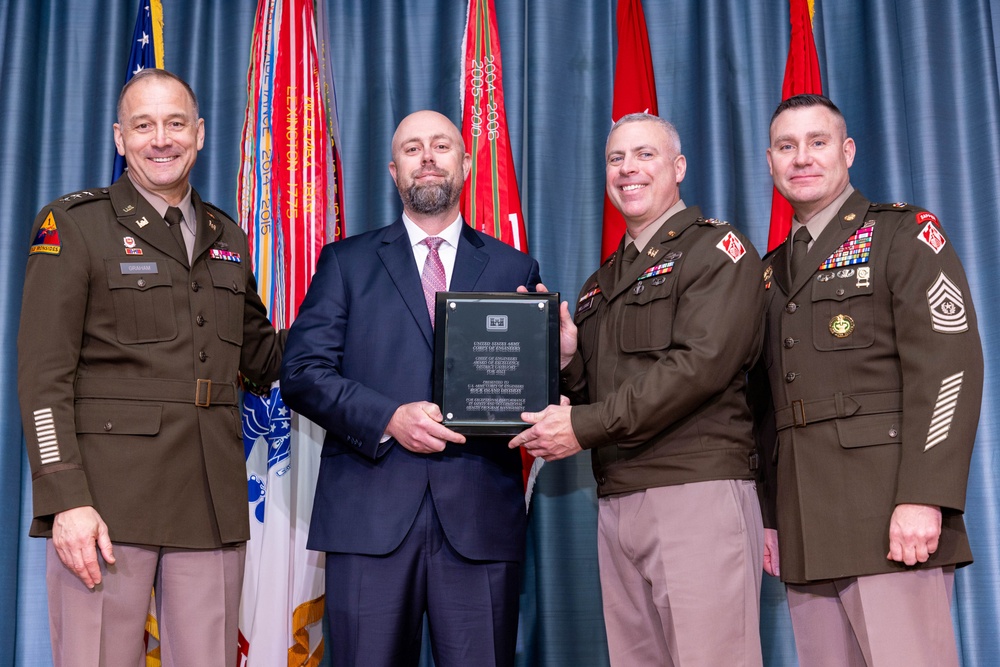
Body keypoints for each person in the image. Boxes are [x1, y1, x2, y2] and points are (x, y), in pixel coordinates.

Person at [17, 68, 285, 666]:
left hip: (210, 504)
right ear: (119, 138)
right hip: (107, 506)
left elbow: (265, 359)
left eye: (174, 123)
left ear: (200, 134)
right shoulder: (75, 227)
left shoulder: (228, 237)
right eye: (143, 125)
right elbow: (42, 378)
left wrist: (359, 316)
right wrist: (66, 500)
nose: (160, 139)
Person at [279, 110, 541, 667]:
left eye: (441, 145)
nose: (427, 157)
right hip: (369, 518)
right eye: (412, 148)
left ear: (465, 164)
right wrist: (388, 417)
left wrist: (558, 357)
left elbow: (528, 392)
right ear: (394, 170)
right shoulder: (345, 262)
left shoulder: (513, 266)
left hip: (478, 521)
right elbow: (301, 373)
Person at [509, 112, 766, 666]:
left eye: (644, 155)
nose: (628, 169)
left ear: (678, 168)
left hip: (694, 487)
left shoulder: (717, 251)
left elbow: (697, 367)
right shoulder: (600, 283)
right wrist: (570, 360)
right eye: (616, 159)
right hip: (618, 496)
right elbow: (601, 390)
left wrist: (580, 428)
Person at [753, 94, 983, 666]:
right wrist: (770, 516)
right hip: (805, 525)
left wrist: (923, 497)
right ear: (770, 161)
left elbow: (948, 370)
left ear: (848, 151)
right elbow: (762, 404)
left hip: (889, 518)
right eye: (787, 146)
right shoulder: (767, 270)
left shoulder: (903, 235)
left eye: (818, 142)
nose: (801, 158)